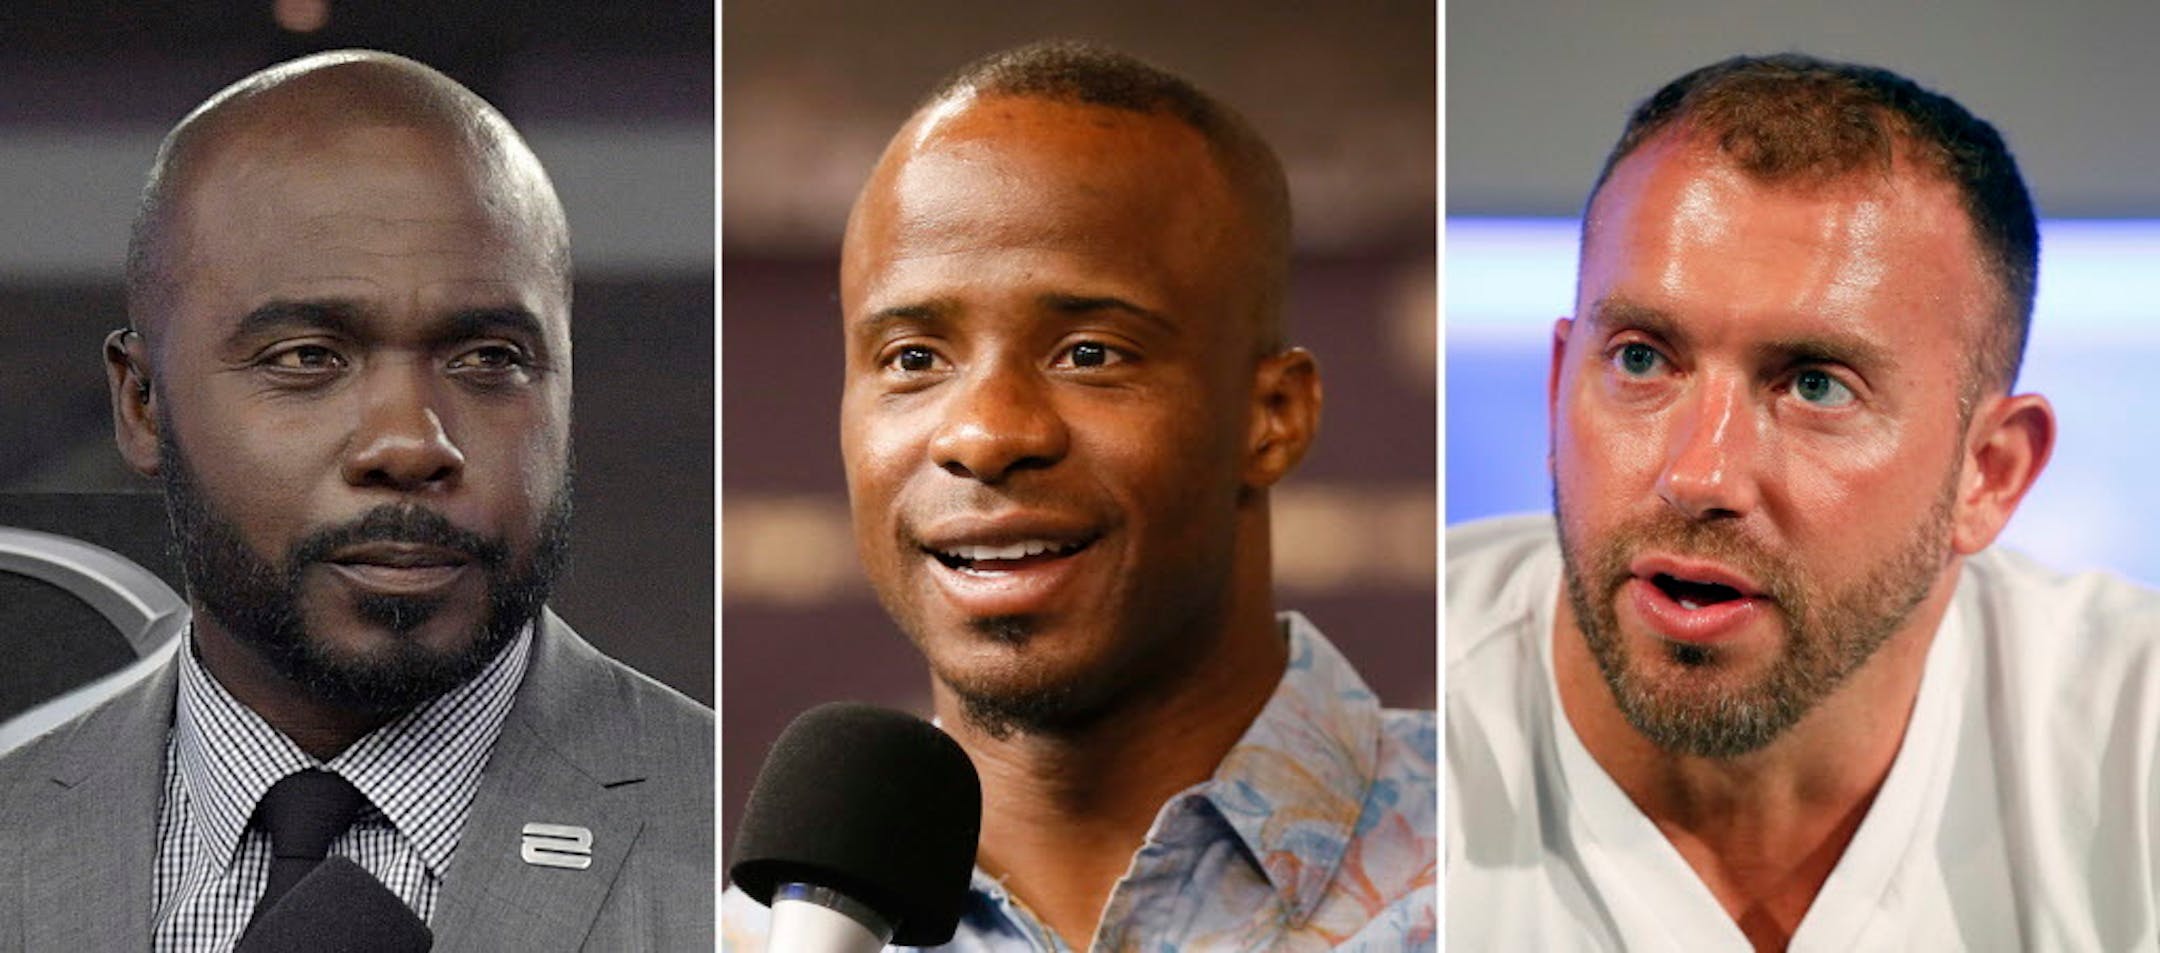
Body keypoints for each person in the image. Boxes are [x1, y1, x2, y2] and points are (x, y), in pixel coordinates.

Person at [724, 41, 1436, 951]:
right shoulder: (755, 937)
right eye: (913, 359)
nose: (982, 435)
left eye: (1090, 353)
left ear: (1273, 417)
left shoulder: (1521, 864)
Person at [0, 51, 712, 950]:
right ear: (142, 403)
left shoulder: (744, 863)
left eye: (488, 358)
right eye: (307, 357)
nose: (412, 443)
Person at [1448, 53, 2160, 950]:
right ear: (1558, 387)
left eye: (1816, 386)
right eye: (1641, 359)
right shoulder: (1404, 734)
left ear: (1989, 472)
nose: (1700, 475)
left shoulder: (2135, 745)